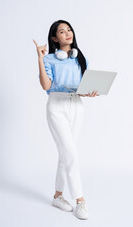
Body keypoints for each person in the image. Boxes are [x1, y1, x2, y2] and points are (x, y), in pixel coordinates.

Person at [33, 19, 99, 220]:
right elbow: (46, 86)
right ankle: (80, 200)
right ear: (55, 38)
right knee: (70, 154)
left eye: (69, 30)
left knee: (65, 153)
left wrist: (89, 92)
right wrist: (40, 58)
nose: (67, 33)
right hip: (57, 106)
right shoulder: (50, 59)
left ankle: (58, 196)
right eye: (62, 31)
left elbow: (82, 85)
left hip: (77, 106)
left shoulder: (80, 58)